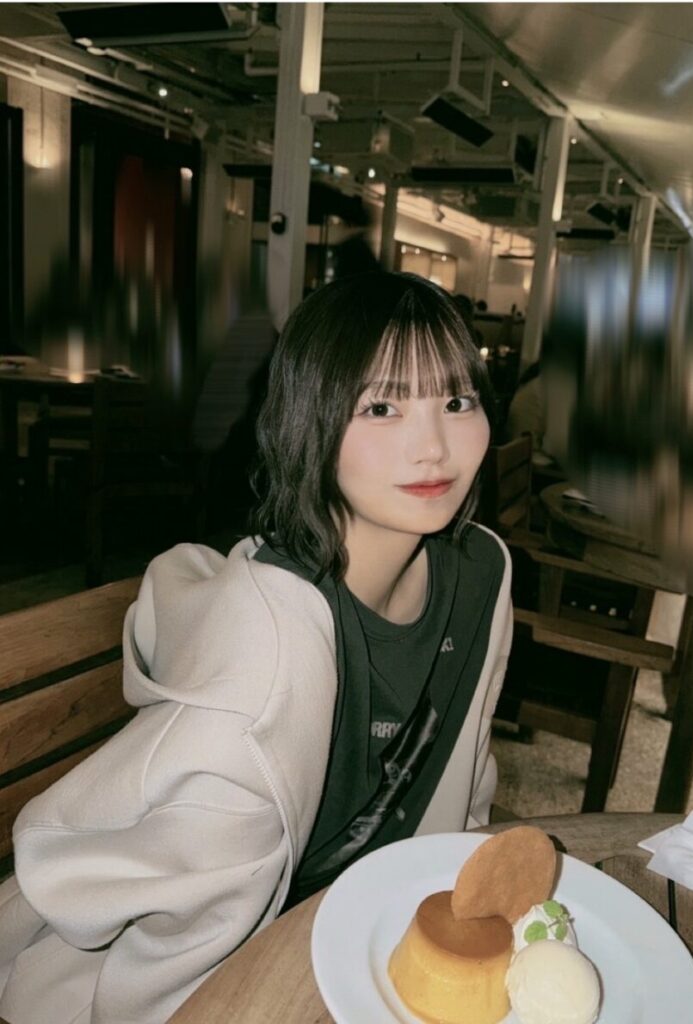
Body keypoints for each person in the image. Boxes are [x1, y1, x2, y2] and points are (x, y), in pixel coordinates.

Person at [0, 272, 513, 1024]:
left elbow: (467, 773)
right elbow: (174, 960)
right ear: (310, 420)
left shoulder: (480, 571)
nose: (433, 446)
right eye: (381, 406)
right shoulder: (269, 650)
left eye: (457, 401)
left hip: (366, 937)